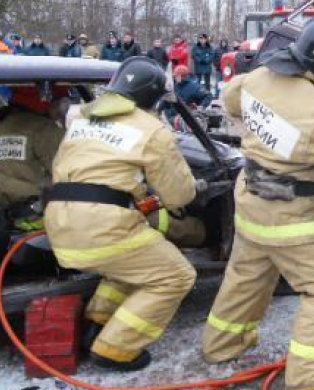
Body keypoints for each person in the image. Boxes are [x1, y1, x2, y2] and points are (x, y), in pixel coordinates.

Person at [201, 15, 314, 390]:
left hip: (250, 201)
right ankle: (311, 375)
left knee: (247, 275)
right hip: (293, 215)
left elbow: (232, 98)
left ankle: (221, 346)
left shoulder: (259, 78)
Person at [44, 57, 203, 371]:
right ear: (154, 98)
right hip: (101, 226)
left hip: (60, 223)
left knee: (134, 262)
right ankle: (115, 348)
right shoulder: (151, 130)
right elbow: (179, 195)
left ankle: (95, 323)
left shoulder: (82, 120)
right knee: (175, 276)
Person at [0, 87, 68, 268]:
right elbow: (72, 175)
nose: (63, 110)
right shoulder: (46, 131)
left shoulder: (0, 128)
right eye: (62, 103)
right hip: (32, 225)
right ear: (46, 101)